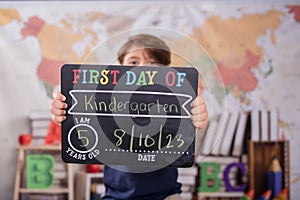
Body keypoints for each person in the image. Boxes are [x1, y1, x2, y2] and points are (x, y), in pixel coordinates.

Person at [50, 34, 208, 200]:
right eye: (133, 62)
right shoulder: (106, 99)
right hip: (115, 196)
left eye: (153, 63)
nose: (143, 69)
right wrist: (65, 115)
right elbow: (83, 122)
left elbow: (192, 122)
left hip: (165, 196)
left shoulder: (177, 99)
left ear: (168, 69)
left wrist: (198, 117)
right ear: (120, 68)